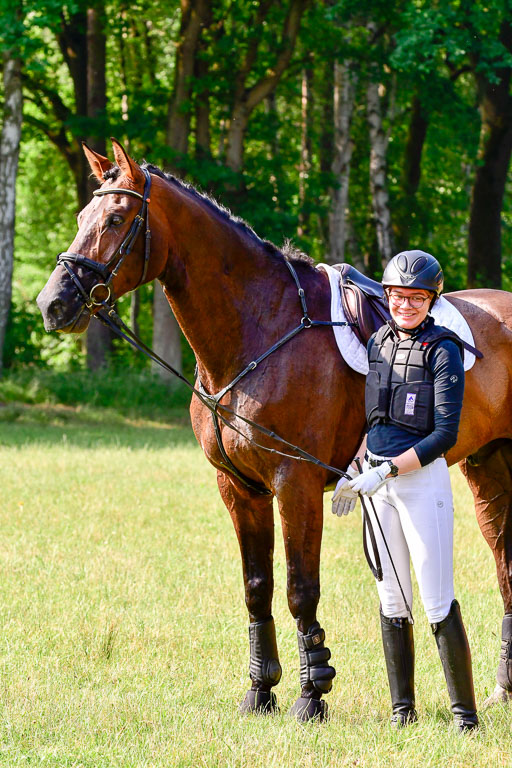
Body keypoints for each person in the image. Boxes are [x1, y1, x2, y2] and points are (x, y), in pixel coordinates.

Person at [333, 250, 478, 733]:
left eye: (417, 298)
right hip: (376, 483)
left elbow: (444, 436)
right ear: (387, 295)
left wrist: (389, 470)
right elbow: (374, 419)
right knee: (392, 601)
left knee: (437, 601)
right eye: (399, 296)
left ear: (431, 299)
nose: (406, 305)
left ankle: (464, 718)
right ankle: (402, 712)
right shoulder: (377, 341)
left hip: (419, 483)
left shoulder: (444, 350)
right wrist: (354, 469)